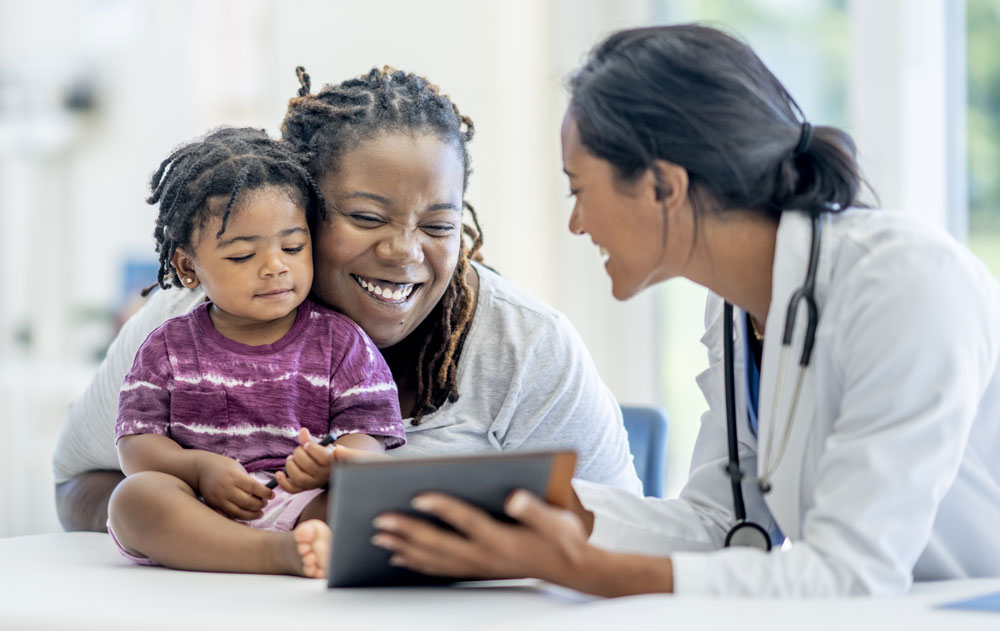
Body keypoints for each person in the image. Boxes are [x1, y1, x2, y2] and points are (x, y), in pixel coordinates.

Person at [363, 25, 1000, 597]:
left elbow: (852, 575)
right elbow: (721, 525)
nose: (577, 222)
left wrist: (587, 570)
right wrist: (507, 504)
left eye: (580, 190)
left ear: (664, 186)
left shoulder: (907, 282)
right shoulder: (733, 309)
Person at [53, 66, 642, 533]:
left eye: (439, 226)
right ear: (299, 208)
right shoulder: (190, 320)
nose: (405, 252)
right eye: (365, 217)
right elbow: (76, 485)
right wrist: (220, 521)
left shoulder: (528, 345)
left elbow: (615, 528)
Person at [108, 127, 405, 577]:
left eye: (293, 246)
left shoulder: (343, 344)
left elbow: (368, 440)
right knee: (133, 499)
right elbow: (136, 446)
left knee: (375, 500)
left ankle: (304, 545)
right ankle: (273, 555)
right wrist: (198, 468)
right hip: (199, 508)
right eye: (243, 256)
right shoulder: (167, 348)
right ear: (188, 267)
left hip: (304, 504)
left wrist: (331, 464)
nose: (275, 266)